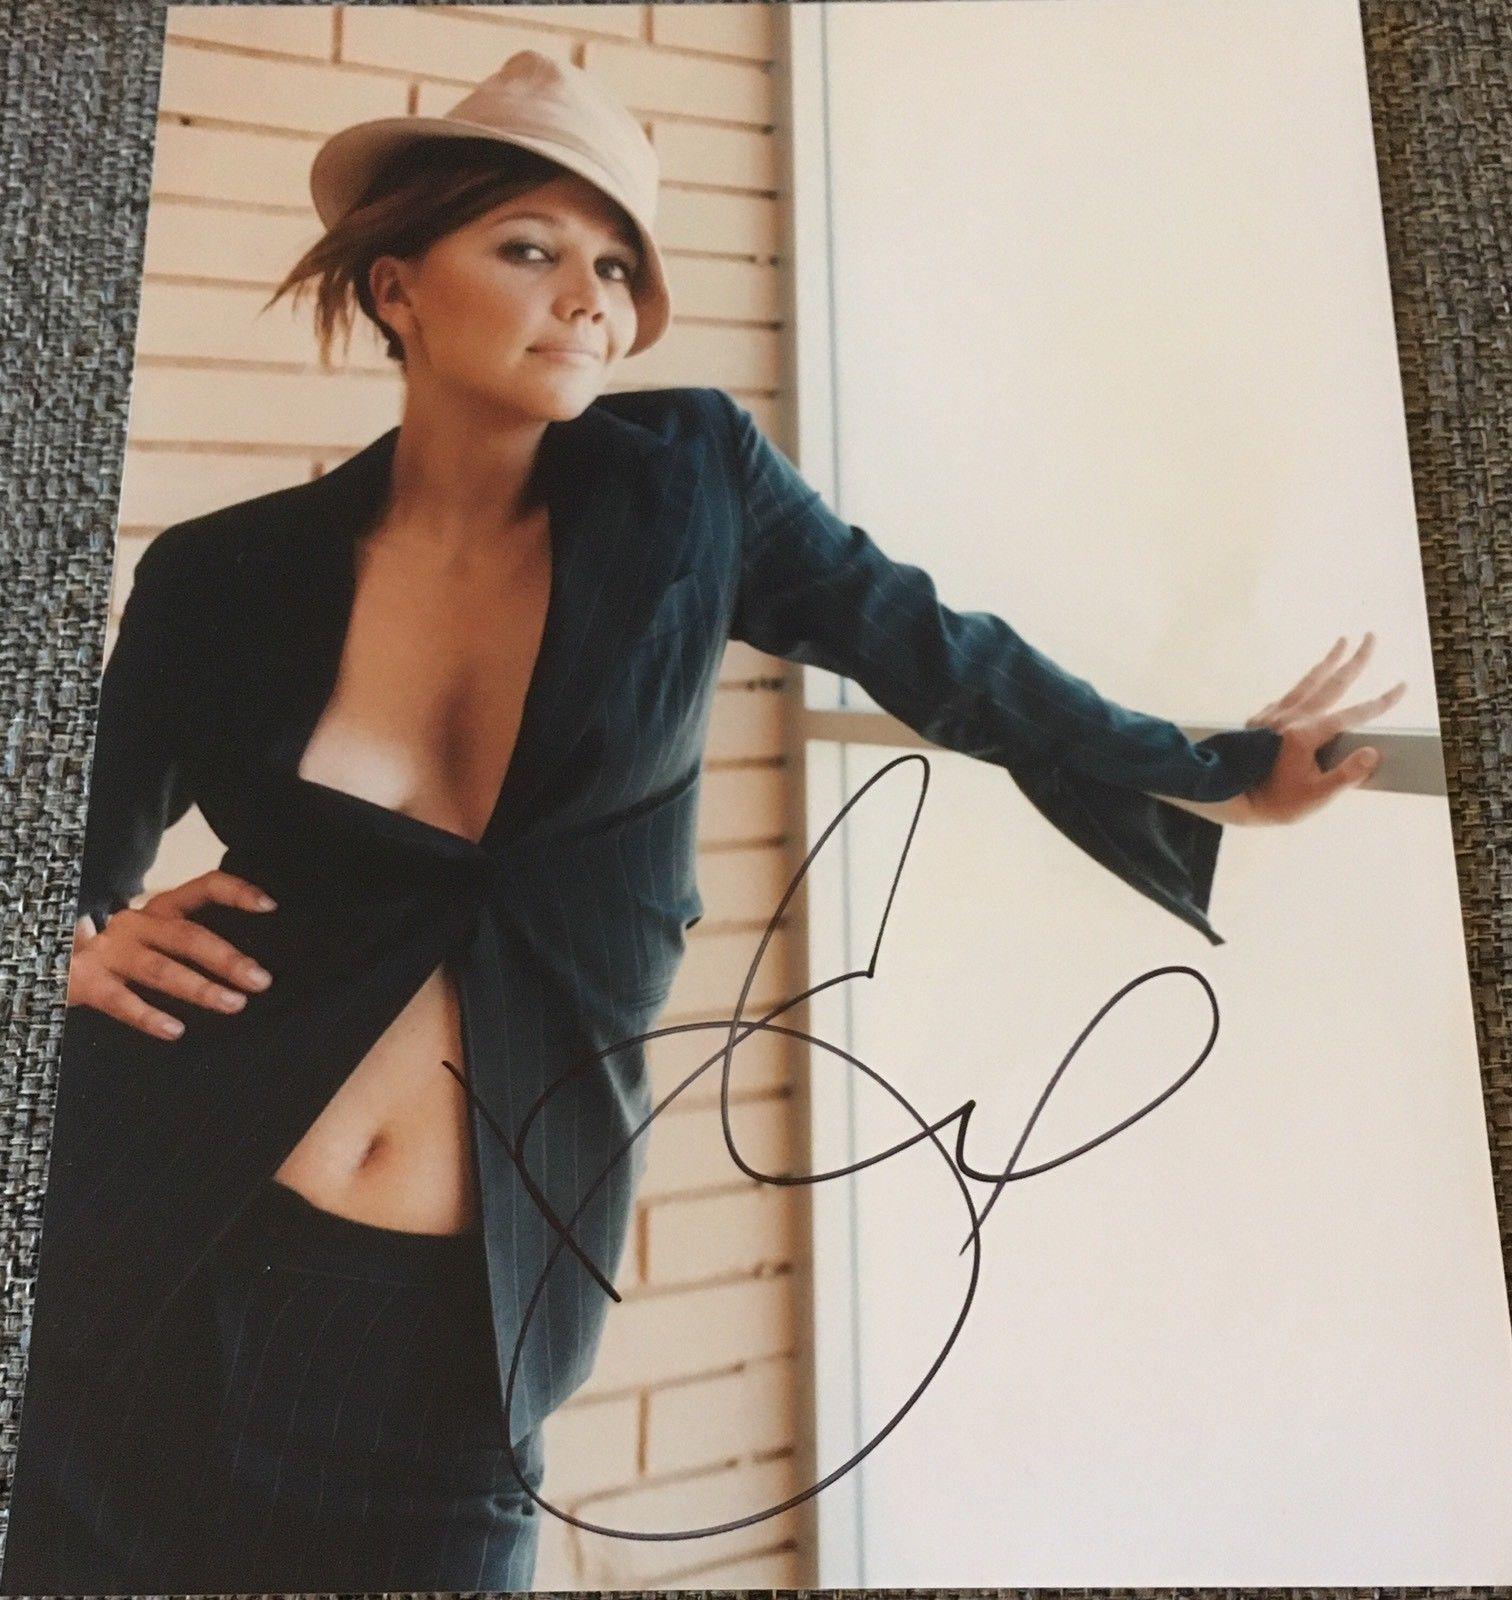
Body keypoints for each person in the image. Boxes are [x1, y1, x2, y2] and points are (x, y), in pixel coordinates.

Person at [0, 48, 1405, 1596]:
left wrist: (1212, 771)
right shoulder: (222, 573)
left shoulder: (688, 490)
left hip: (454, 1340)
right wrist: (65, 947)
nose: (587, 299)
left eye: (617, 266)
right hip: (153, 1247)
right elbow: (63, 854)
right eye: (528, 248)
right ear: (397, 287)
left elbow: (942, 656)